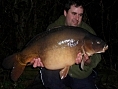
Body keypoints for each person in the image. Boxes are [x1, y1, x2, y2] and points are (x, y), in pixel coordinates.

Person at [31, 0, 101, 89]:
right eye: (74, 13)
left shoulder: (87, 32)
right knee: (48, 74)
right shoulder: (53, 29)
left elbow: (97, 57)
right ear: (65, 12)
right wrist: (40, 61)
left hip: (80, 75)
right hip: (57, 72)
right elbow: (41, 49)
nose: (77, 19)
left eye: (80, 15)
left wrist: (88, 61)